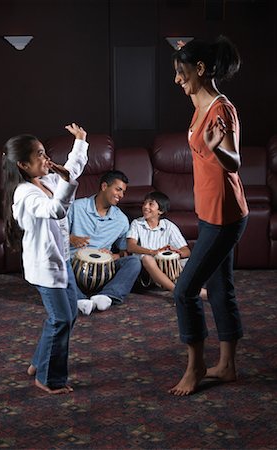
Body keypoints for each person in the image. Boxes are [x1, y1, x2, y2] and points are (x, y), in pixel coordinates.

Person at [168, 36, 249, 396]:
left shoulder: (220, 109)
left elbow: (234, 161)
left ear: (200, 70)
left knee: (184, 291)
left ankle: (196, 365)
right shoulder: (199, 104)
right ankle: (228, 365)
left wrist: (221, 149)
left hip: (225, 216)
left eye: (182, 72)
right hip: (209, 212)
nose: (177, 80)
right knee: (219, 287)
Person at [2, 123, 88, 394]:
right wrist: (66, 180)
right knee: (61, 318)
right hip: (45, 268)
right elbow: (56, 210)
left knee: (69, 314)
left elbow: (70, 171)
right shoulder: (25, 194)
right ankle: (48, 378)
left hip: (61, 262)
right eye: (39, 154)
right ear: (23, 165)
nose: (46, 158)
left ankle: (39, 362)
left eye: (44, 151)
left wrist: (80, 141)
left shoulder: (48, 179)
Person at [68, 170, 141, 315]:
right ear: (104, 186)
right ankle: (79, 299)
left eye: (123, 192)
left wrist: (114, 256)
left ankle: (107, 296)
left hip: (103, 271)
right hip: (73, 266)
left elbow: (124, 251)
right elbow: (54, 234)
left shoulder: (121, 220)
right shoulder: (76, 207)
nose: (121, 195)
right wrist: (71, 238)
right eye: (118, 189)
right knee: (56, 262)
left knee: (134, 262)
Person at [127, 191, 207, 298]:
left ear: (161, 210)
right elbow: (130, 246)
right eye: (144, 203)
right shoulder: (137, 224)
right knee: (147, 258)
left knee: (190, 261)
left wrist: (177, 253)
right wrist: (153, 252)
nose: (145, 207)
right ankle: (177, 291)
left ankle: (194, 290)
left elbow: (186, 251)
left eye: (151, 204)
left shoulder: (169, 226)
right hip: (145, 271)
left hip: (167, 268)